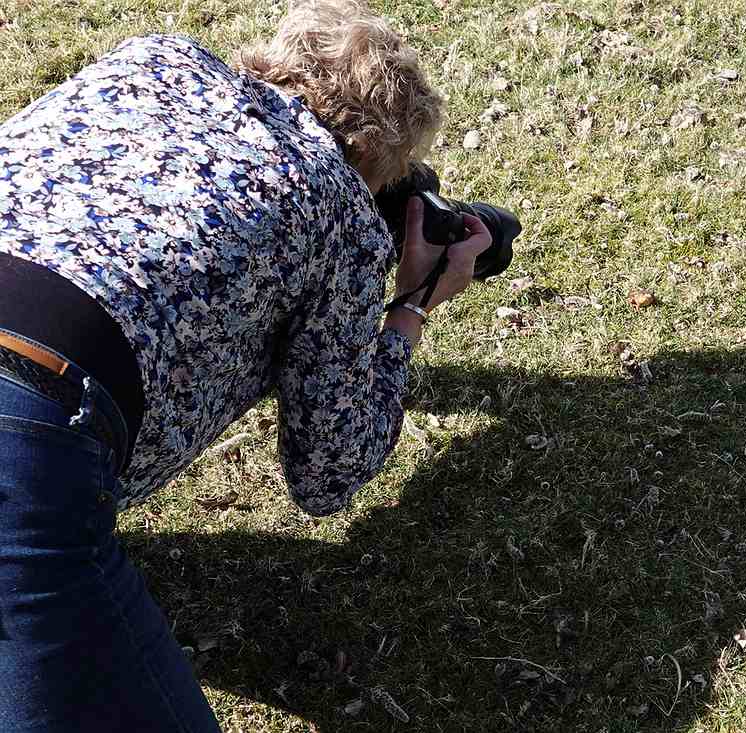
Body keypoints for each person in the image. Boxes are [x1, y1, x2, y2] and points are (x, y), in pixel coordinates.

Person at [0, 1, 489, 730]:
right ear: (370, 158)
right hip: (28, 430)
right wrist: (409, 307)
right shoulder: (340, 208)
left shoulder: (152, 60)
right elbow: (328, 471)